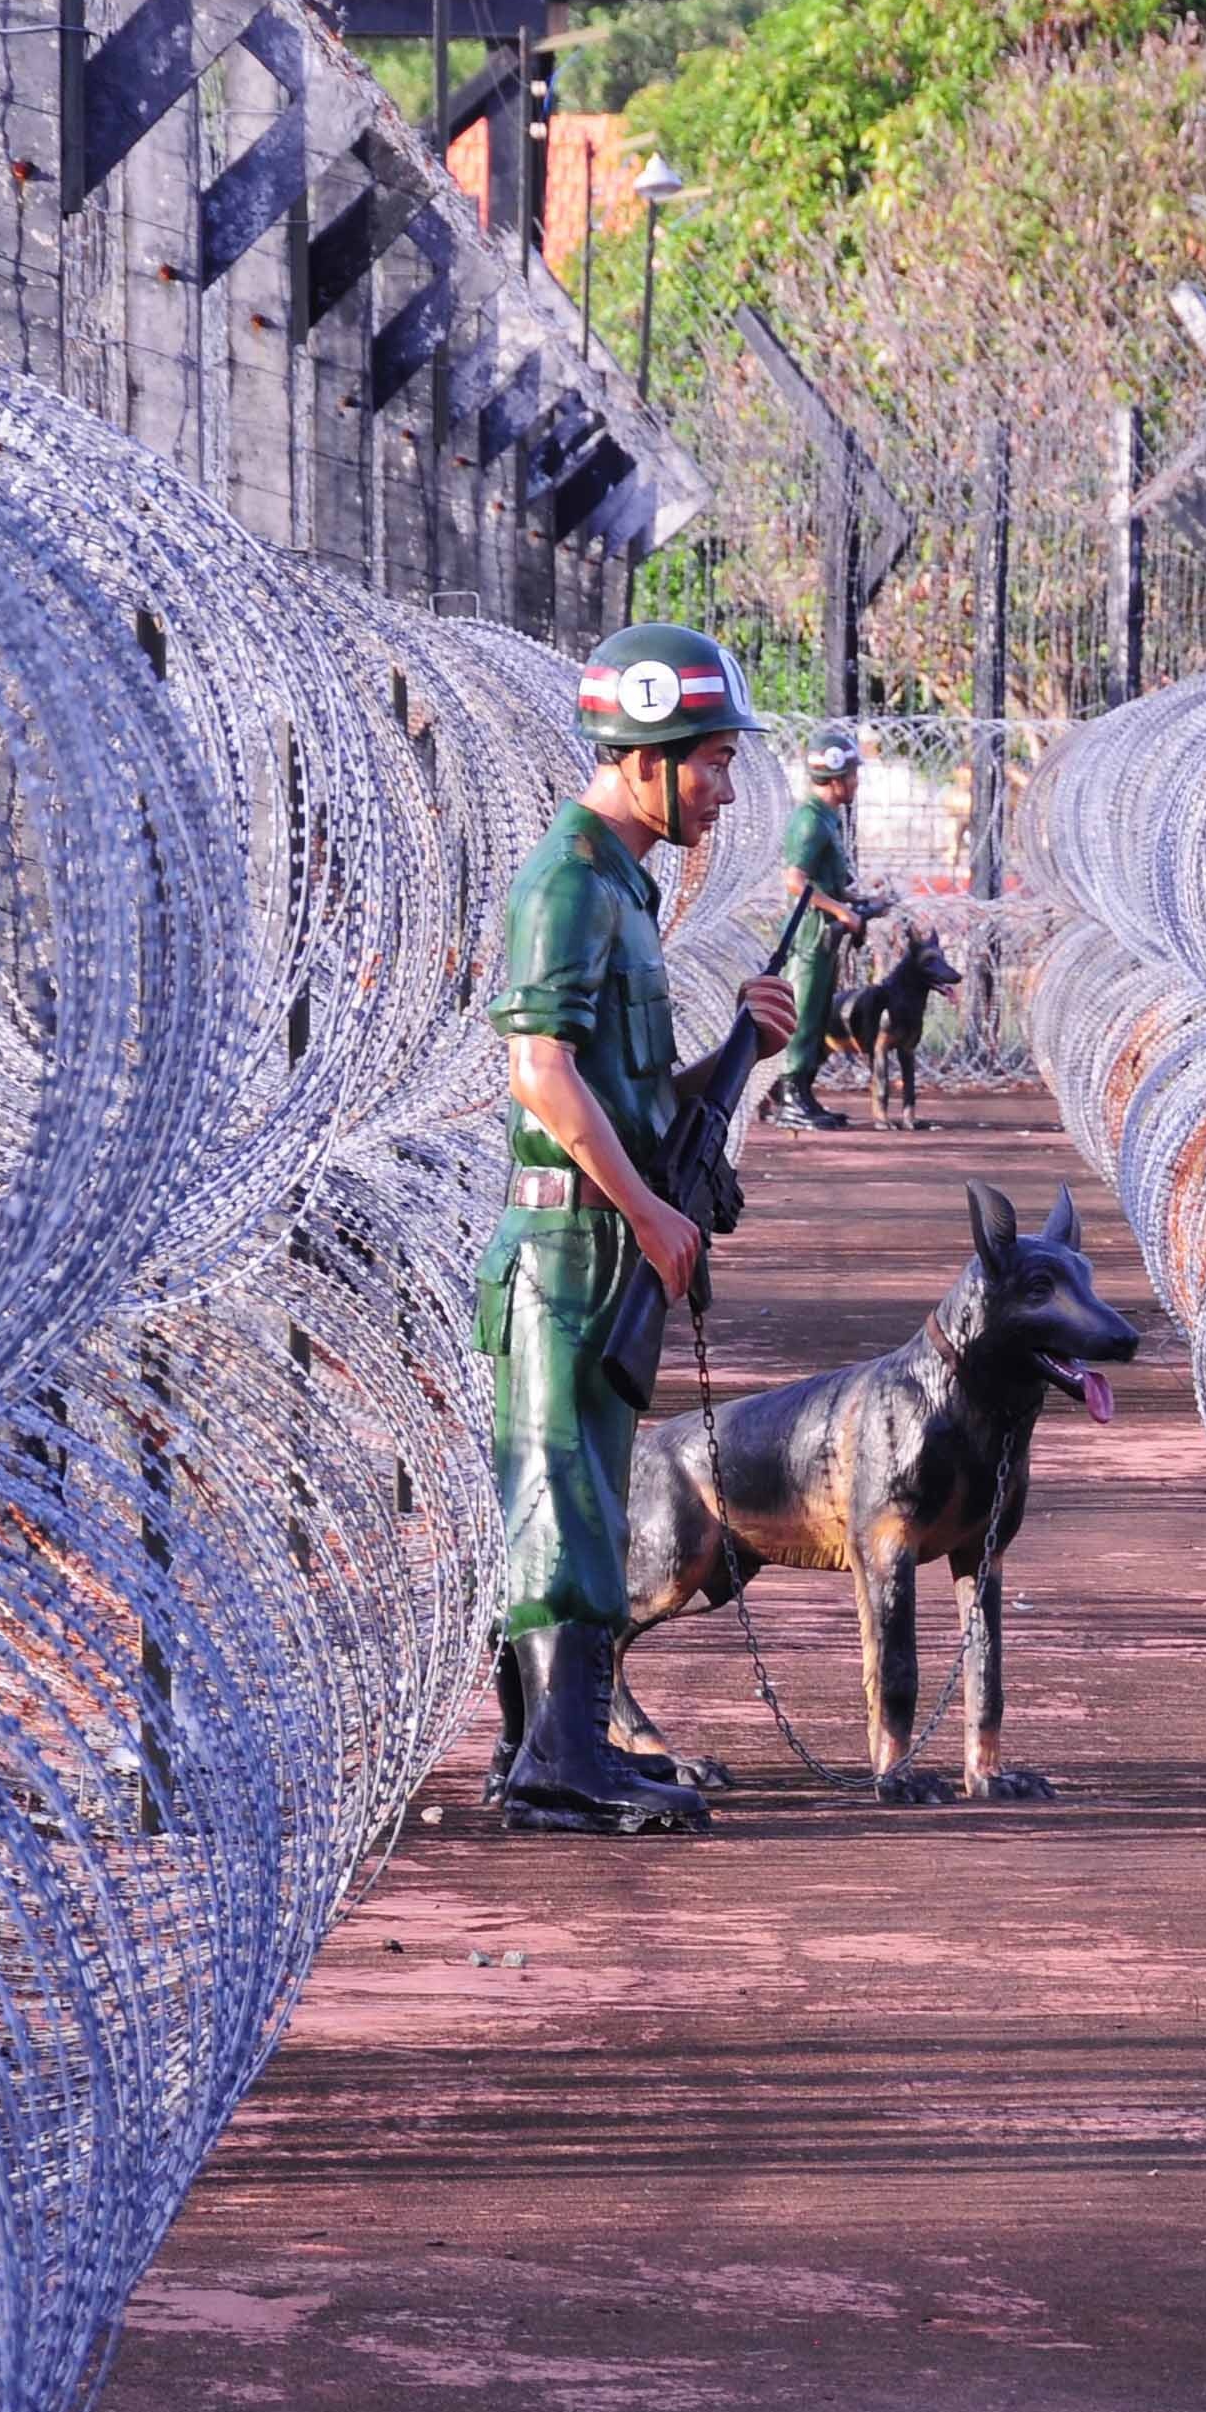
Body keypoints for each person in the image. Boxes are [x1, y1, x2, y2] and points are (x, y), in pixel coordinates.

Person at [480, 623, 800, 1831]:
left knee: (592, 1494)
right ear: (642, 756)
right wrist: (654, 1207)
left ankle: (551, 1746)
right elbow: (542, 1078)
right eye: (710, 759)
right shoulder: (567, 884)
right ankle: (558, 1765)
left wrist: (740, 1048)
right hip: (566, 1249)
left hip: (604, 1242)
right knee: (559, 1496)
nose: (722, 787)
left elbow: (629, 1090)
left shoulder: (622, 886)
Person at [764, 728, 870, 1129]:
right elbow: (795, 880)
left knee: (819, 1014)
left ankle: (803, 1092)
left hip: (823, 938)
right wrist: (841, 912)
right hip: (809, 937)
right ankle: (789, 1094)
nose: (857, 783)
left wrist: (856, 900)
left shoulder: (827, 819)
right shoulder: (810, 820)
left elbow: (827, 881)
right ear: (837, 776)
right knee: (804, 1014)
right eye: (854, 774)